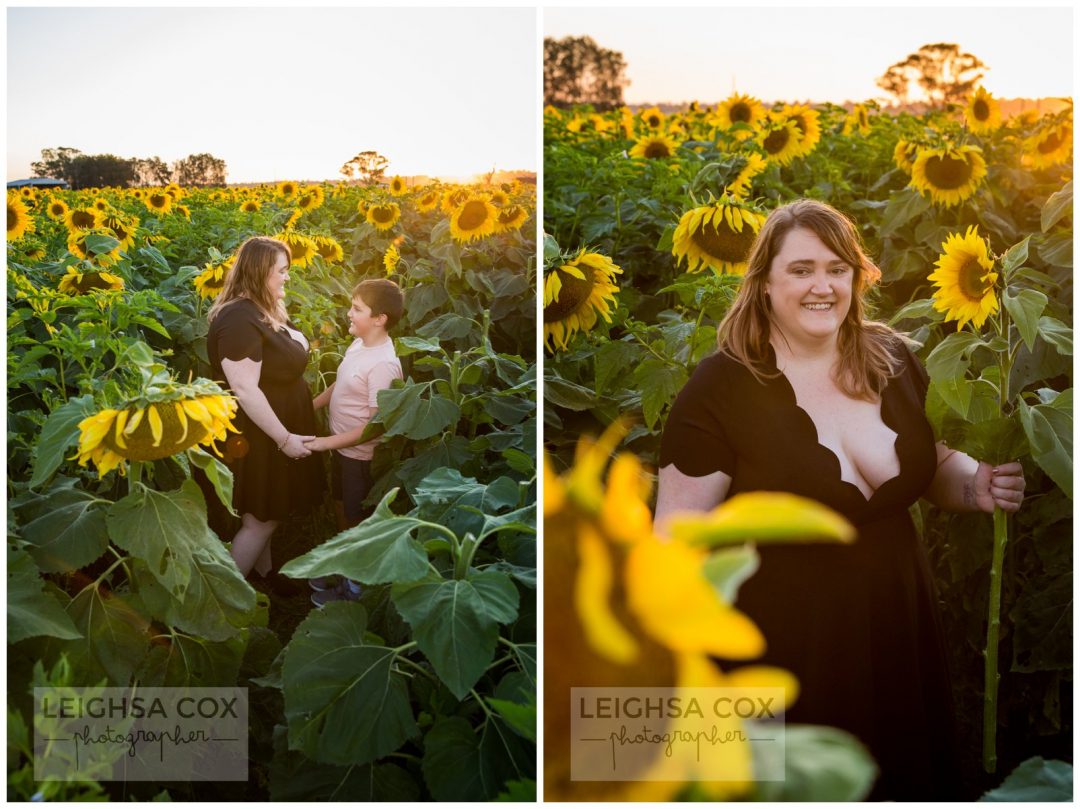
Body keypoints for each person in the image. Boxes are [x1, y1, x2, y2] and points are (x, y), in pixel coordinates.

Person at [654, 199, 1025, 801]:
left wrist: (973, 484)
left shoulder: (892, 359)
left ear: (858, 277)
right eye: (801, 270)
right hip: (785, 648)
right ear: (765, 283)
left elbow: (927, 463)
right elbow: (673, 542)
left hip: (896, 626)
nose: (822, 286)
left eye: (838, 268)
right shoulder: (720, 389)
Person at [206, 236, 324, 592]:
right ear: (260, 272)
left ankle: (263, 577)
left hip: (269, 428)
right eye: (282, 271)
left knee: (263, 510)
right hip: (260, 435)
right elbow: (244, 388)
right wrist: (284, 438)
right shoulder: (240, 318)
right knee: (262, 520)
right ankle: (223, 597)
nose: (287, 277)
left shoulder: (259, 309)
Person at [305, 279, 404, 605]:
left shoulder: (384, 365)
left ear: (380, 319)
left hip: (359, 458)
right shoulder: (360, 345)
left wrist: (324, 443)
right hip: (342, 450)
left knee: (356, 521)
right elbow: (341, 383)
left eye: (357, 309)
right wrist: (310, 406)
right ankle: (344, 567)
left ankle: (355, 594)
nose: (349, 313)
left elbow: (377, 426)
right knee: (341, 512)